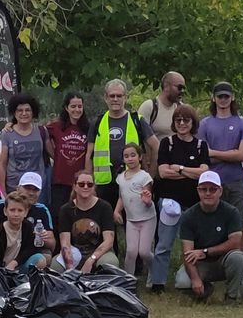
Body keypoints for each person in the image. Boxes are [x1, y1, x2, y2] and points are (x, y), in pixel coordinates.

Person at [149, 102, 209, 293]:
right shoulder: (167, 143)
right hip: (169, 202)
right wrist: (192, 173)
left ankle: (195, 280)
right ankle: (157, 283)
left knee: (195, 245)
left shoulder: (200, 146)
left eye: (186, 120)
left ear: (193, 122)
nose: (182, 123)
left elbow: (204, 173)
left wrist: (180, 169)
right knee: (164, 244)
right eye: (178, 120)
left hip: (193, 204)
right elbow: (163, 172)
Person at [173, 170, 243, 302]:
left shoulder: (231, 212)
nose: (208, 193)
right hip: (200, 263)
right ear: (198, 191)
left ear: (220, 191)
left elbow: (235, 242)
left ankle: (232, 296)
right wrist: (195, 279)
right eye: (203, 189)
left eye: (213, 189)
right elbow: (187, 253)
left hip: (224, 260)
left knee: (237, 258)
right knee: (182, 281)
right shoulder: (188, 216)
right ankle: (204, 290)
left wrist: (205, 252)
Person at [87, 78, 150, 208]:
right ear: (105, 98)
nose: (115, 99)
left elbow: (155, 146)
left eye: (119, 96)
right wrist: (89, 184)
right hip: (104, 185)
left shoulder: (137, 120)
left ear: (125, 97)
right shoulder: (97, 122)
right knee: (106, 219)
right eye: (112, 96)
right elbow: (89, 156)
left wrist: (150, 176)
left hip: (133, 182)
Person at [199, 82, 243, 218]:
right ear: (214, 98)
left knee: (237, 222)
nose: (223, 100)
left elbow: (242, 155)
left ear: (232, 97)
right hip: (212, 182)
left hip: (236, 181)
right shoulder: (204, 124)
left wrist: (214, 153)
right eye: (220, 96)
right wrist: (232, 154)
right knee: (213, 221)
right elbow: (205, 156)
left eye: (226, 96)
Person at [58, 171, 119, 273]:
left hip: (99, 253)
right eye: (81, 184)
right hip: (75, 253)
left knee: (110, 262)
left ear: (94, 187)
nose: (85, 187)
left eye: (90, 184)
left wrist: (91, 260)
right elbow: (65, 244)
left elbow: (109, 241)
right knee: (56, 266)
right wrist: (70, 269)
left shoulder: (105, 207)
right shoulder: (65, 209)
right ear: (75, 186)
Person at [114, 143, 155, 281]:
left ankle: (155, 271)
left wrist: (147, 200)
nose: (130, 159)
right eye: (126, 156)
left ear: (140, 157)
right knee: (131, 252)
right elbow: (121, 197)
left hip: (147, 218)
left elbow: (148, 198)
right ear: (123, 159)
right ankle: (128, 281)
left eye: (133, 155)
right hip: (131, 220)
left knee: (144, 252)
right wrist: (117, 211)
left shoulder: (144, 176)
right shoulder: (121, 178)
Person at [0, 92, 50, 195]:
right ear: (14, 113)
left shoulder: (41, 131)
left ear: (33, 112)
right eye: (20, 110)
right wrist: (2, 192)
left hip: (37, 188)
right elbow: (2, 164)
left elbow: (54, 154)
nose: (24, 113)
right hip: (14, 189)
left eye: (27, 110)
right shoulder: (6, 134)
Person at [47, 94, 91, 214]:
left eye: (79, 106)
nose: (77, 110)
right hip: (60, 181)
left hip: (80, 183)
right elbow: (38, 133)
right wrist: (11, 125)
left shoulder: (88, 128)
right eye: (73, 106)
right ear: (66, 108)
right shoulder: (56, 127)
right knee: (58, 216)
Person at [0, 194, 51, 273]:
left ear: (26, 212)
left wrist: (15, 262)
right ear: (5, 211)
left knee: (40, 258)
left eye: (20, 210)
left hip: (19, 266)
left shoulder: (28, 226)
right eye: (12, 210)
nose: (16, 214)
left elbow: (31, 249)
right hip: (1, 269)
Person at [10, 171, 59, 258]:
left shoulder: (42, 210)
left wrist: (42, 237)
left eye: (35, 189)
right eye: (27, 188)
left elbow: (52, 246)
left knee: (46, 256)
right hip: (5, 248)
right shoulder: (1, 206)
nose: (31, 193)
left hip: (30, 251)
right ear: (18, 188)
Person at [137, 71, 186, 143]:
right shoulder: (149, 107)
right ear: (166, 86)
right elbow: (138, 135)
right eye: (179, 87)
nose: (182, 91)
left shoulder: (182, 108)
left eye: (183, 88)